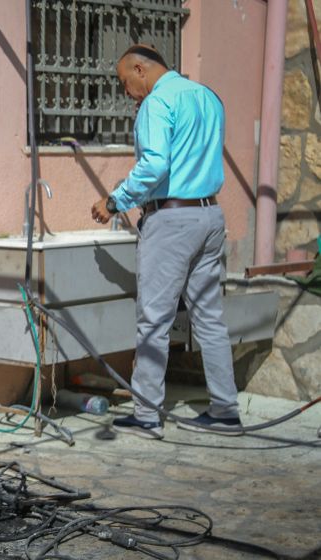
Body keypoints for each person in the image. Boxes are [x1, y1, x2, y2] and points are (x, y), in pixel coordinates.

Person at [90, 44, 242, 439]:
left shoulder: (157, 104)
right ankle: (225, 409)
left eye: (127, 82)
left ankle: (146, 413)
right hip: (210, 216)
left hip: (172, 218)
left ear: (141, 69)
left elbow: (155, 164)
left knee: (154, 320)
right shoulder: (208, 97)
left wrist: (114, 201)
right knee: (209, 319)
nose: (128, 92)